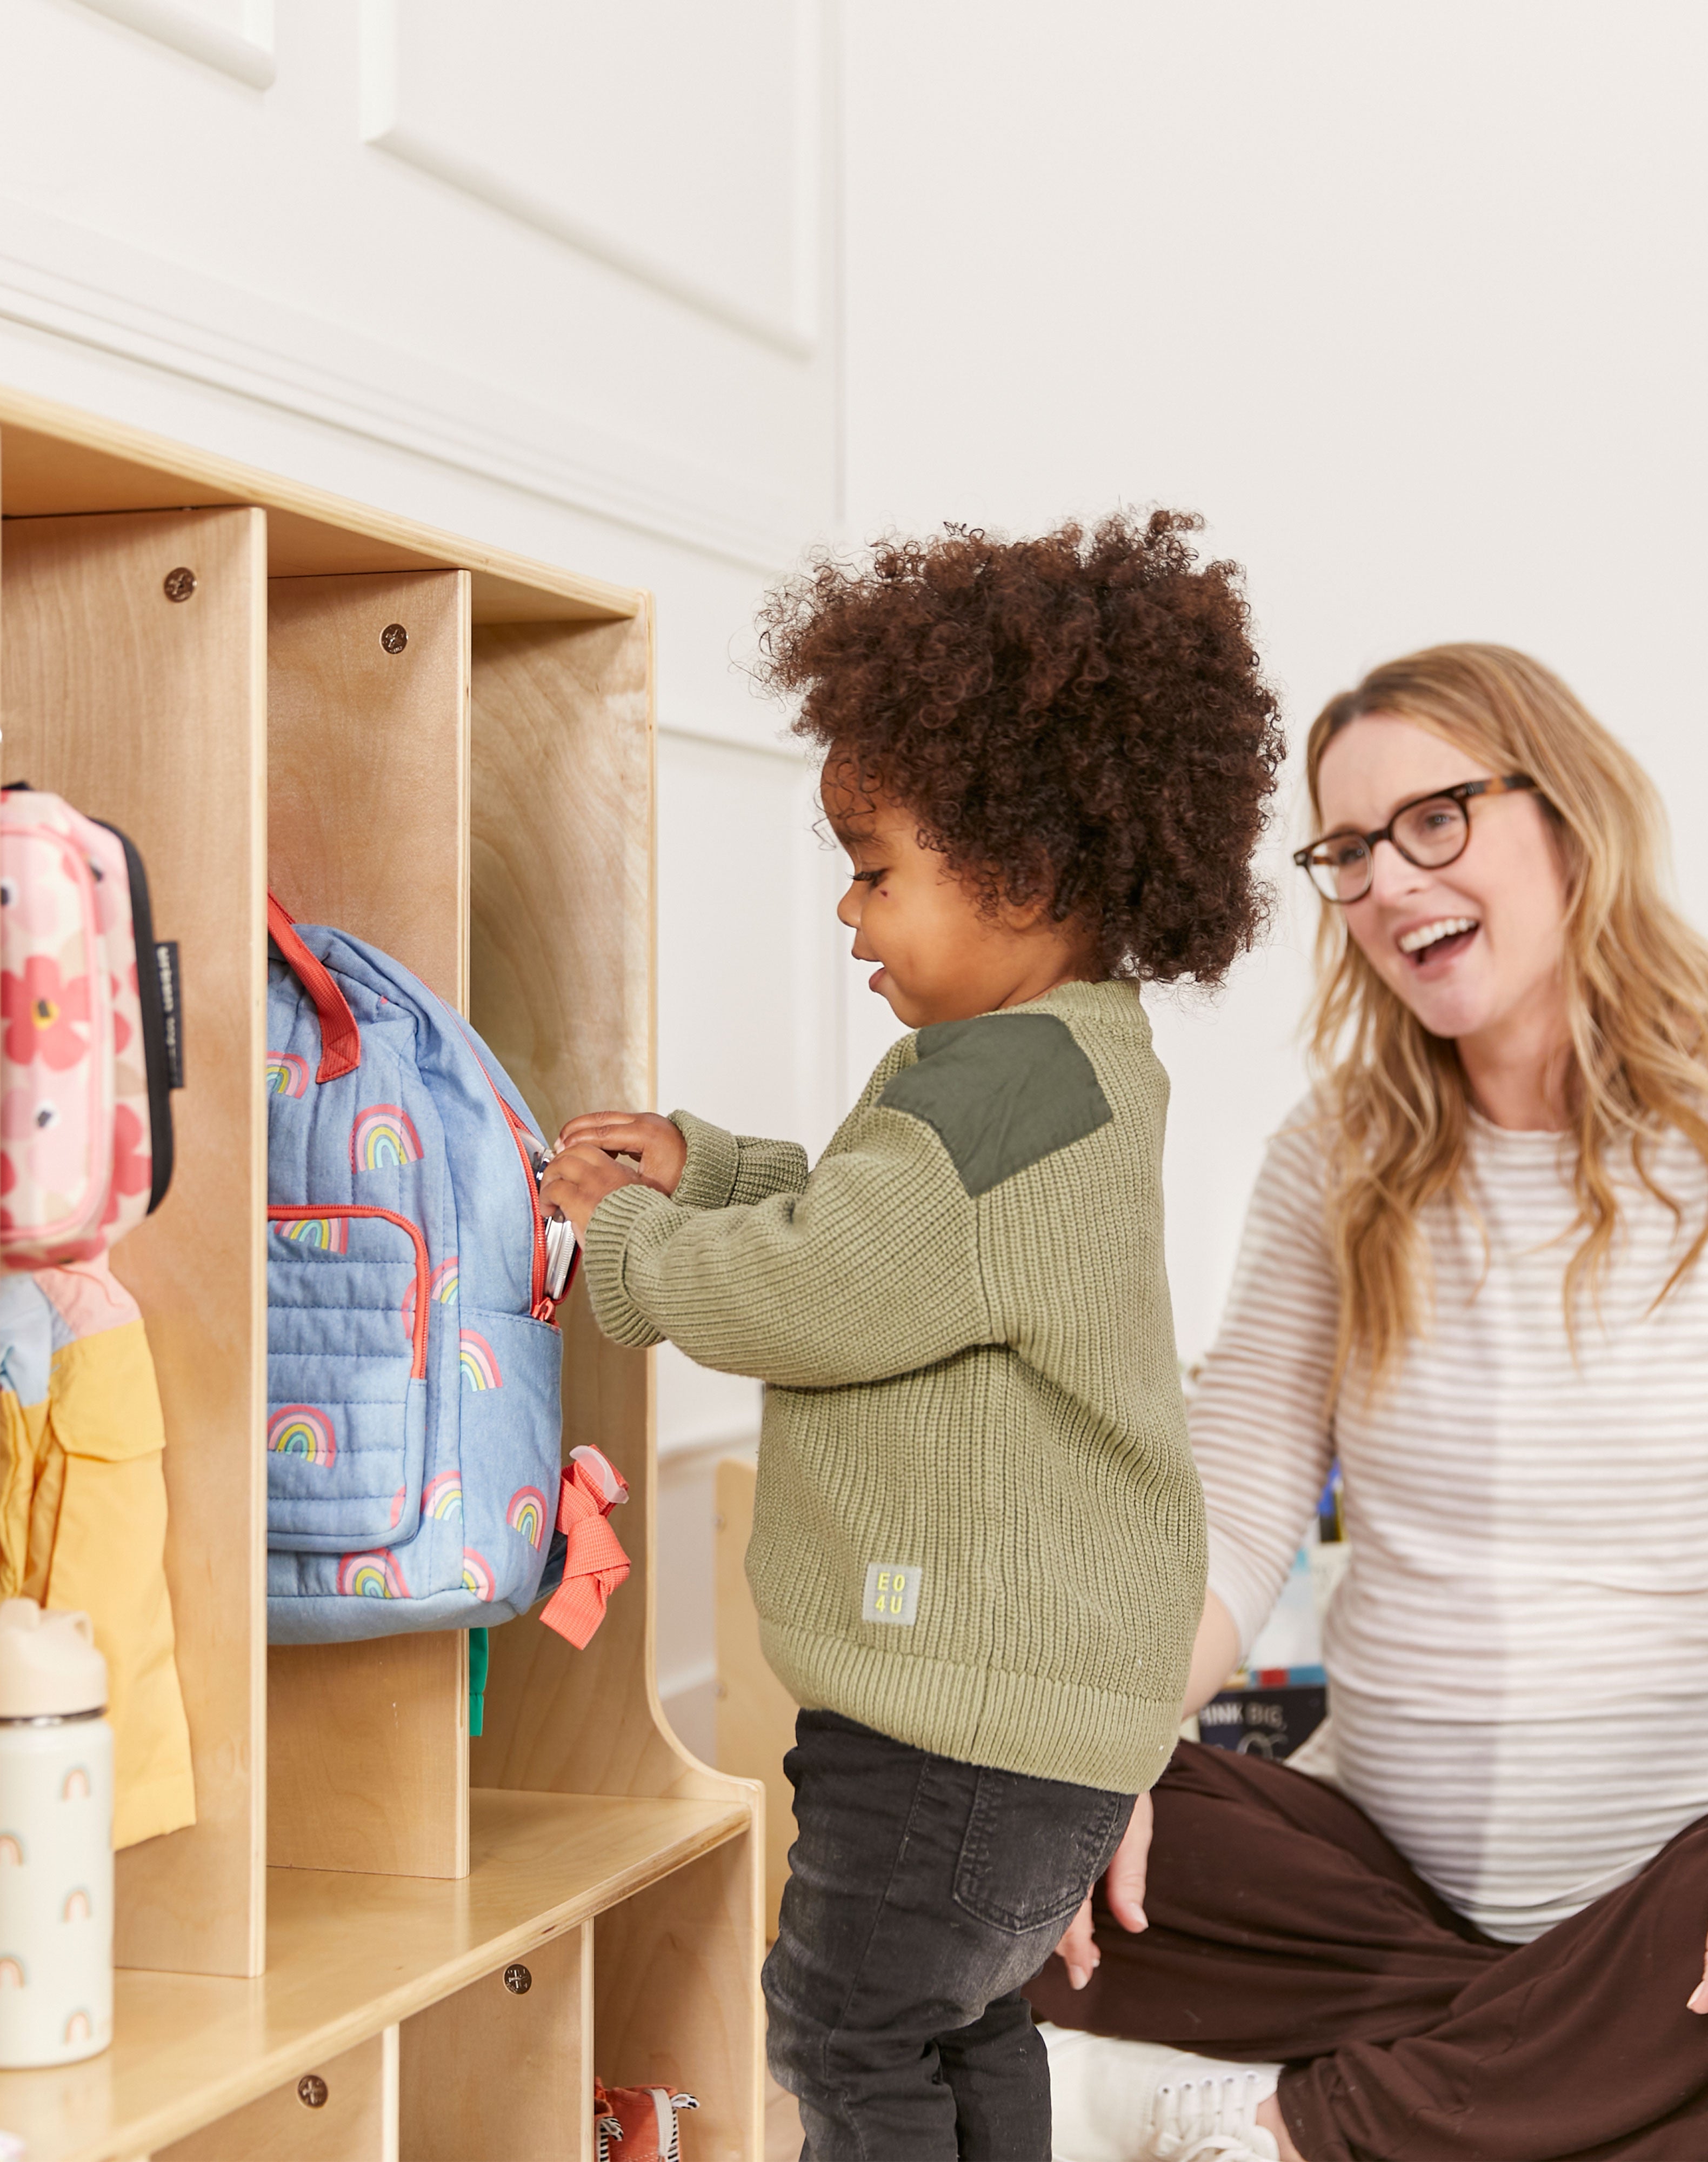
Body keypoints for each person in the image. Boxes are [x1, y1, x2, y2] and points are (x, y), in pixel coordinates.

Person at [538, 512, 1284, 2162]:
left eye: (875, 869)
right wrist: (717, 1169)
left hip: (953, 1722)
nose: (848, 914)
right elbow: (895, 1242)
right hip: (1035, 1727)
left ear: (1020, 871)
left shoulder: (1008, 1089)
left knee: (842, 2023)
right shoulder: (1057, 1069)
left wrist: (622, 1240)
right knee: (962, 2022)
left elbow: (827, 1288)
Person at [1032, 643, 1708, 2162]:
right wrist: (1118, 1743)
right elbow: (1246, 1496)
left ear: (1571, 814)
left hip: (1678, 1891)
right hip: (1376, 1891)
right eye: (1349, 850)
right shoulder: (1337, 1150)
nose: (1393, 882)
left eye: (1436, 820)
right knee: (1001, 1832)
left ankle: (1294, 2127)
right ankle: (1571, 2071)